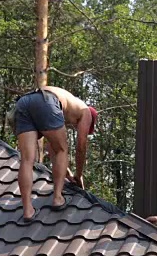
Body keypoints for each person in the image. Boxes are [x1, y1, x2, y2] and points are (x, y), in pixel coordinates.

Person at [9, 86, 98, 221]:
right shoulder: (87, 112)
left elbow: (52, 148)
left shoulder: (67, 107)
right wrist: (79, 175)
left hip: (24, 102)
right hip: (46, 100)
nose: (76, 128)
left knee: (27, 159)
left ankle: (28, 211)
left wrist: (66, 172)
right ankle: (57, 198)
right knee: (63, 149)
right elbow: (81, 146)